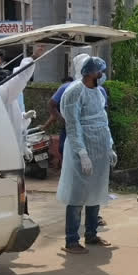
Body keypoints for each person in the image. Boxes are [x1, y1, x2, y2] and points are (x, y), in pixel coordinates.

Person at [57, 57, 117, 255]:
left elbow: (103, 119)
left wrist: (109, 146)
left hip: (99, 149)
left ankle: (91, 234)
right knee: (77, 195)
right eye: (100, 71)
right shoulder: (75, 92)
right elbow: (73, 125)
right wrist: (82, 154)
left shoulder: (99, 92)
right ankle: (71, 240)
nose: (103, 75)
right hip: (81, 150)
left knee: (96, 193)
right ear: (90, 72)